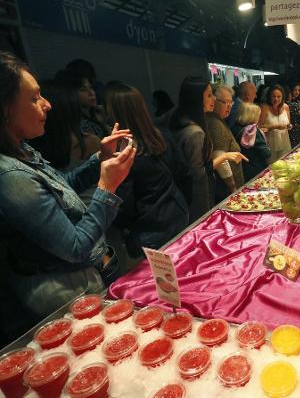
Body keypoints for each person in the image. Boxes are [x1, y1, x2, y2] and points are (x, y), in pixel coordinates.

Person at [0, 51, 135, 319]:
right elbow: (75, 247)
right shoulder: (10, 175)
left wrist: (100, 159)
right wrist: (107, 188)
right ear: (6, 108)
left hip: (85, 276)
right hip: (67, 290)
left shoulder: (21, 150)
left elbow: (61, 189)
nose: (47, 104)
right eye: (34, 97)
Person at [103, 83, 190, 255]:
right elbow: (184, 173)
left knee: (159, 280)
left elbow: (124, 207)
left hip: (149, 233)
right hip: (178, 215)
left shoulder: (124, 152)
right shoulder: (161, 134)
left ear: (114, 113)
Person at [167, 77, 247, 221]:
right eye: (209, 95)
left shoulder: (186, 123)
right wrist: (224, 157)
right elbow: (198, 175)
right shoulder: (196, 132)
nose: (213, 99)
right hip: (198, 200)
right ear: (197, 99)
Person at [28, 79, 100, 170]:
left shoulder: (28, 146)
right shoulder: (27, 148)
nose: (47, 105)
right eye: (34, 99)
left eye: (91, 87)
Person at [205, 84, 248, 201]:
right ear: (214, 101)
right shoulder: (214, 123)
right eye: (225, 102)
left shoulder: (219, 120)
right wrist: (233, 187)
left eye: (231, 103)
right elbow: (220, 157)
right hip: (227, 190)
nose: (229, 106)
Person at [56, 69, 109, 139]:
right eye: (82, 90)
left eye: (91, 87)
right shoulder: (80, 124)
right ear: (71, 94)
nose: (91, 93)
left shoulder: (97, 114)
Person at [231, 102, 271, 181]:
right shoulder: (253, 130)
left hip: (243, 168)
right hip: (257, 169)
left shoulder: (234, 128)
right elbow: (266, 153)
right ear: (253, 116)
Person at [259, 84, 291, 163]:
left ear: (282, 97)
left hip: (285, 142)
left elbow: (289, 124)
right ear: (269, 96)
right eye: (273, 96)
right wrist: (275, 126)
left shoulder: (286, 107)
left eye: (279, 96)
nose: (276, 99)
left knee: (286, 164)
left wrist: (289, 126)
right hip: (270, 144)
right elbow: (259, 127)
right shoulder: (264, 107)